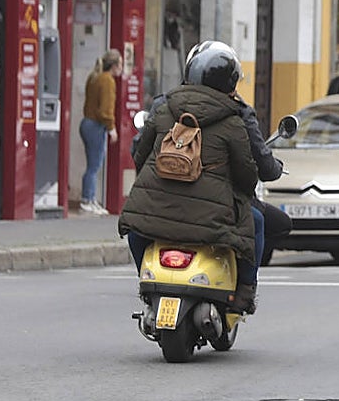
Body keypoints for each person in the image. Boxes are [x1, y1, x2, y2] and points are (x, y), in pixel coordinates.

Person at [119, 40, 262, 312]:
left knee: (135, 229)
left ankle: (146, 284)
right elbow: (247, 176)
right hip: (211, 221)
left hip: (157, 211)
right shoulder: (234, 121)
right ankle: (244, 292)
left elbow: (139, 154)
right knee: (254, 223)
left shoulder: (163, 109)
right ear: (231, 84)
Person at [80, 48, 122, 215]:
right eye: (121, 64)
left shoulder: (94, 76)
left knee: (92, 164)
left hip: (86, 123)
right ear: (115, 65)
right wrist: (112, 128)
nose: (122, 68)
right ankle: (87, 199)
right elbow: (105, 109)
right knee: (95, 164)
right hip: (97, 125)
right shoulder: (108, 81)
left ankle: (90, 199)